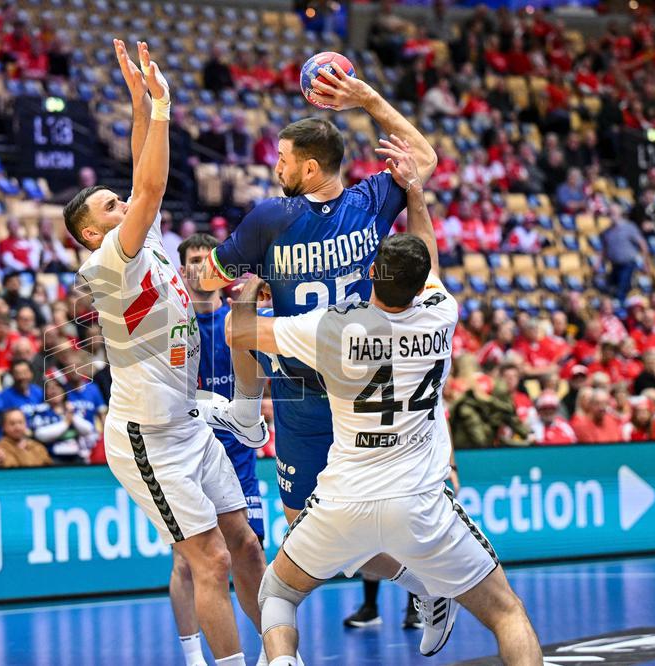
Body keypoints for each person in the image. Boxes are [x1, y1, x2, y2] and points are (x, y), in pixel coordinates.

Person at [227, 142, 542, 665]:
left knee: (279, 594)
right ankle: (429, 585)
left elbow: (239, 333)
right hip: (419, 501)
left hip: (344, 498)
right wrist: (414, 192)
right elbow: (429, 253)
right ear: (423, 288)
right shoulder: (441, 314)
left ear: (370, 274)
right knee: (507, 613)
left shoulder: (332, 331)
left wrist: (249, 284)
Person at [196, 61, 446, 635]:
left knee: (312, 533)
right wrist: (367, 98)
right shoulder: (372, 202)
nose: (275, 167)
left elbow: (209, 279)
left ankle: (418, 581)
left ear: (309, 168)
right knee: (320, 531)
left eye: (282, 159)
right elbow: (424, 161)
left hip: (313, 386)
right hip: (354, 378)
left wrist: (238, 273)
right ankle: (426, 581)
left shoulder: (269, 218)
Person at [65, 41, 261, 665]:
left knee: (249, 548)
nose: (123, 204)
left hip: (188, 422)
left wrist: (140, 100)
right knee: (211, 561)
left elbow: (139, 177)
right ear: (93, 233)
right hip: (146, 436)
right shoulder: (107, 263)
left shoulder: (138, 239)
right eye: (110, 208)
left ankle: (282, 654)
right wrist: (165, 107)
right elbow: (149, 186)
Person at [169, 233, 269, 666]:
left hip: (237, 453)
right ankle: (193, 656)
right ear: (181, 267)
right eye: (189, 260)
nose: (196, 268)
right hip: (187, 453)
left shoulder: (238, 318)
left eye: (203, 260)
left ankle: (274, 645)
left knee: (249, 549)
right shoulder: (173, 319)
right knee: (190, 562)